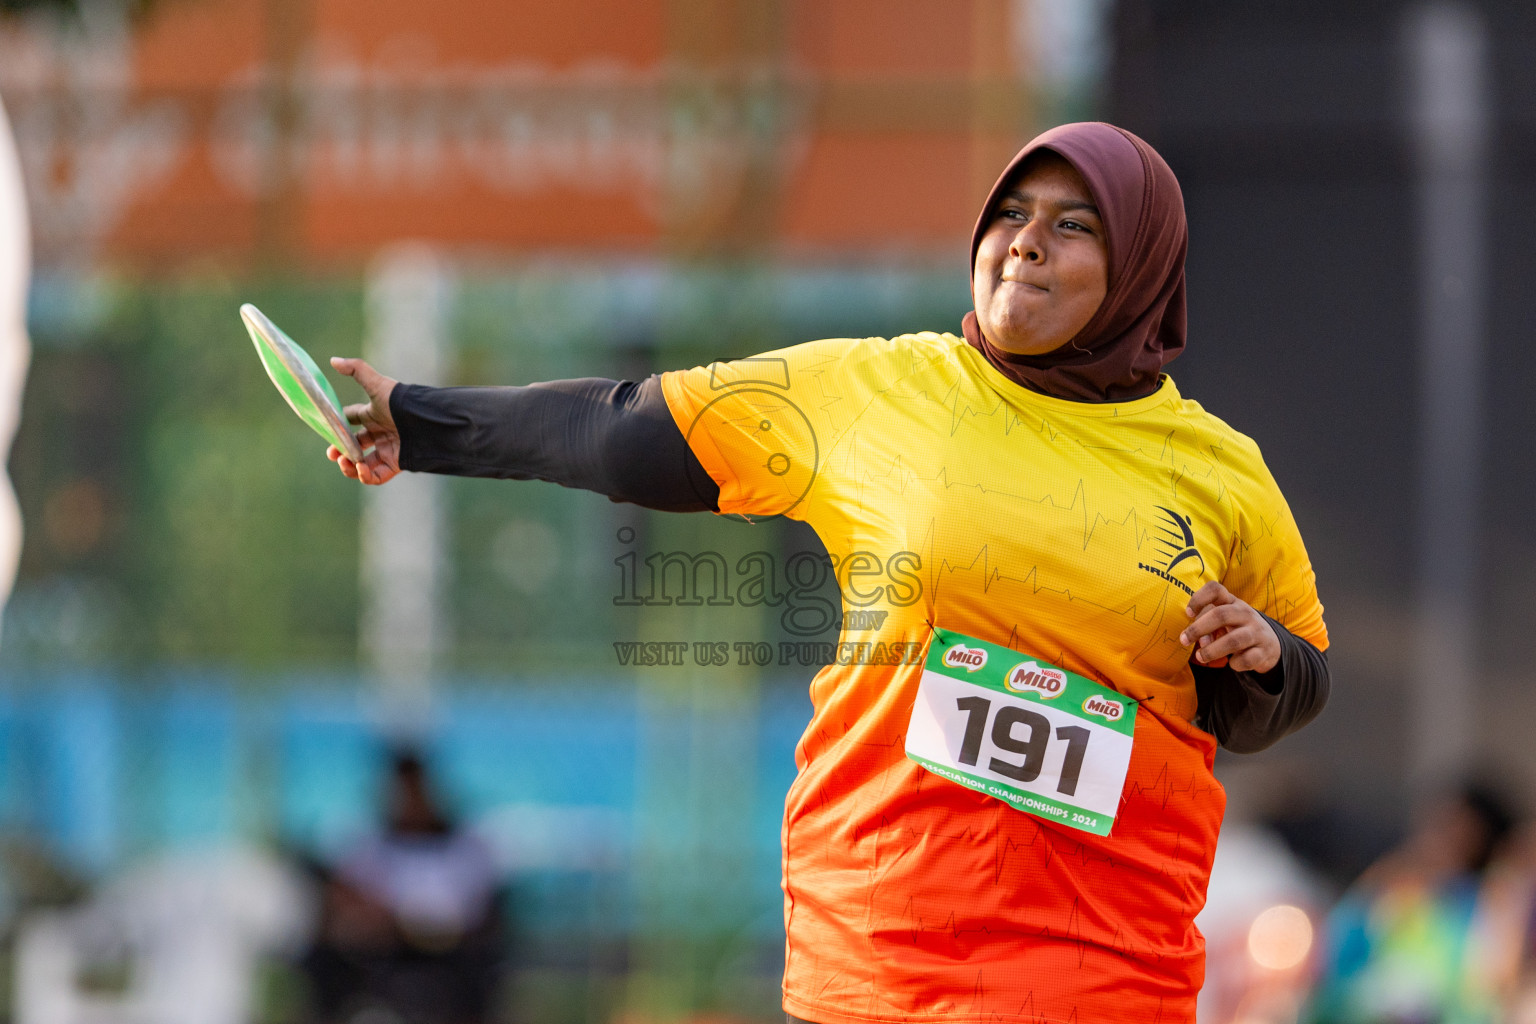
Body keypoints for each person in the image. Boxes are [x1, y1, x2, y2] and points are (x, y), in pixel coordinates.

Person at [325, 122, 1329, 1022]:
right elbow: (618, 429)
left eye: (1075, 226)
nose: (1024, 241)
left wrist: (1265, 657)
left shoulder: (1221, 473)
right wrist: (415, 420)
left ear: (1145, 267)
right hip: (880, 955)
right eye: (1011, 214)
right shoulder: (876, 390)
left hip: (1103, 966)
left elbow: (1283, 688)